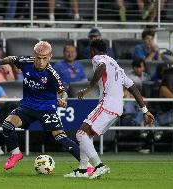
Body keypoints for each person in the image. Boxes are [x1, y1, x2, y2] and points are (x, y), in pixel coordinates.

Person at [64, 39, 155, 179]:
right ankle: (82, 170)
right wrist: (144, 110)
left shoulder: (97, 58)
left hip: (107, 104)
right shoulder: (116, 65)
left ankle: (99, 166)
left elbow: (101, 67)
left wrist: (88, 89)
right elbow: (133, 88)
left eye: (90, 50)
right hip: (117, 107)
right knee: (86, 135)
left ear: (93, 50)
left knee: (80, 134)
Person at [0, 41, 93, 172]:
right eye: (38, 58)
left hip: (46, 108)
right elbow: (12, 59)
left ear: (50, 57)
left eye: (45, 58)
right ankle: (16, 153)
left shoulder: (52, 73)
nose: (41, 62)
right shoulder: (26, 62)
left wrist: (63, 100)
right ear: (34, 56)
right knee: (7, 125)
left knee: (60, 136)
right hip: (28, 106)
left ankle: (87, 166)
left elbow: (63, 92)